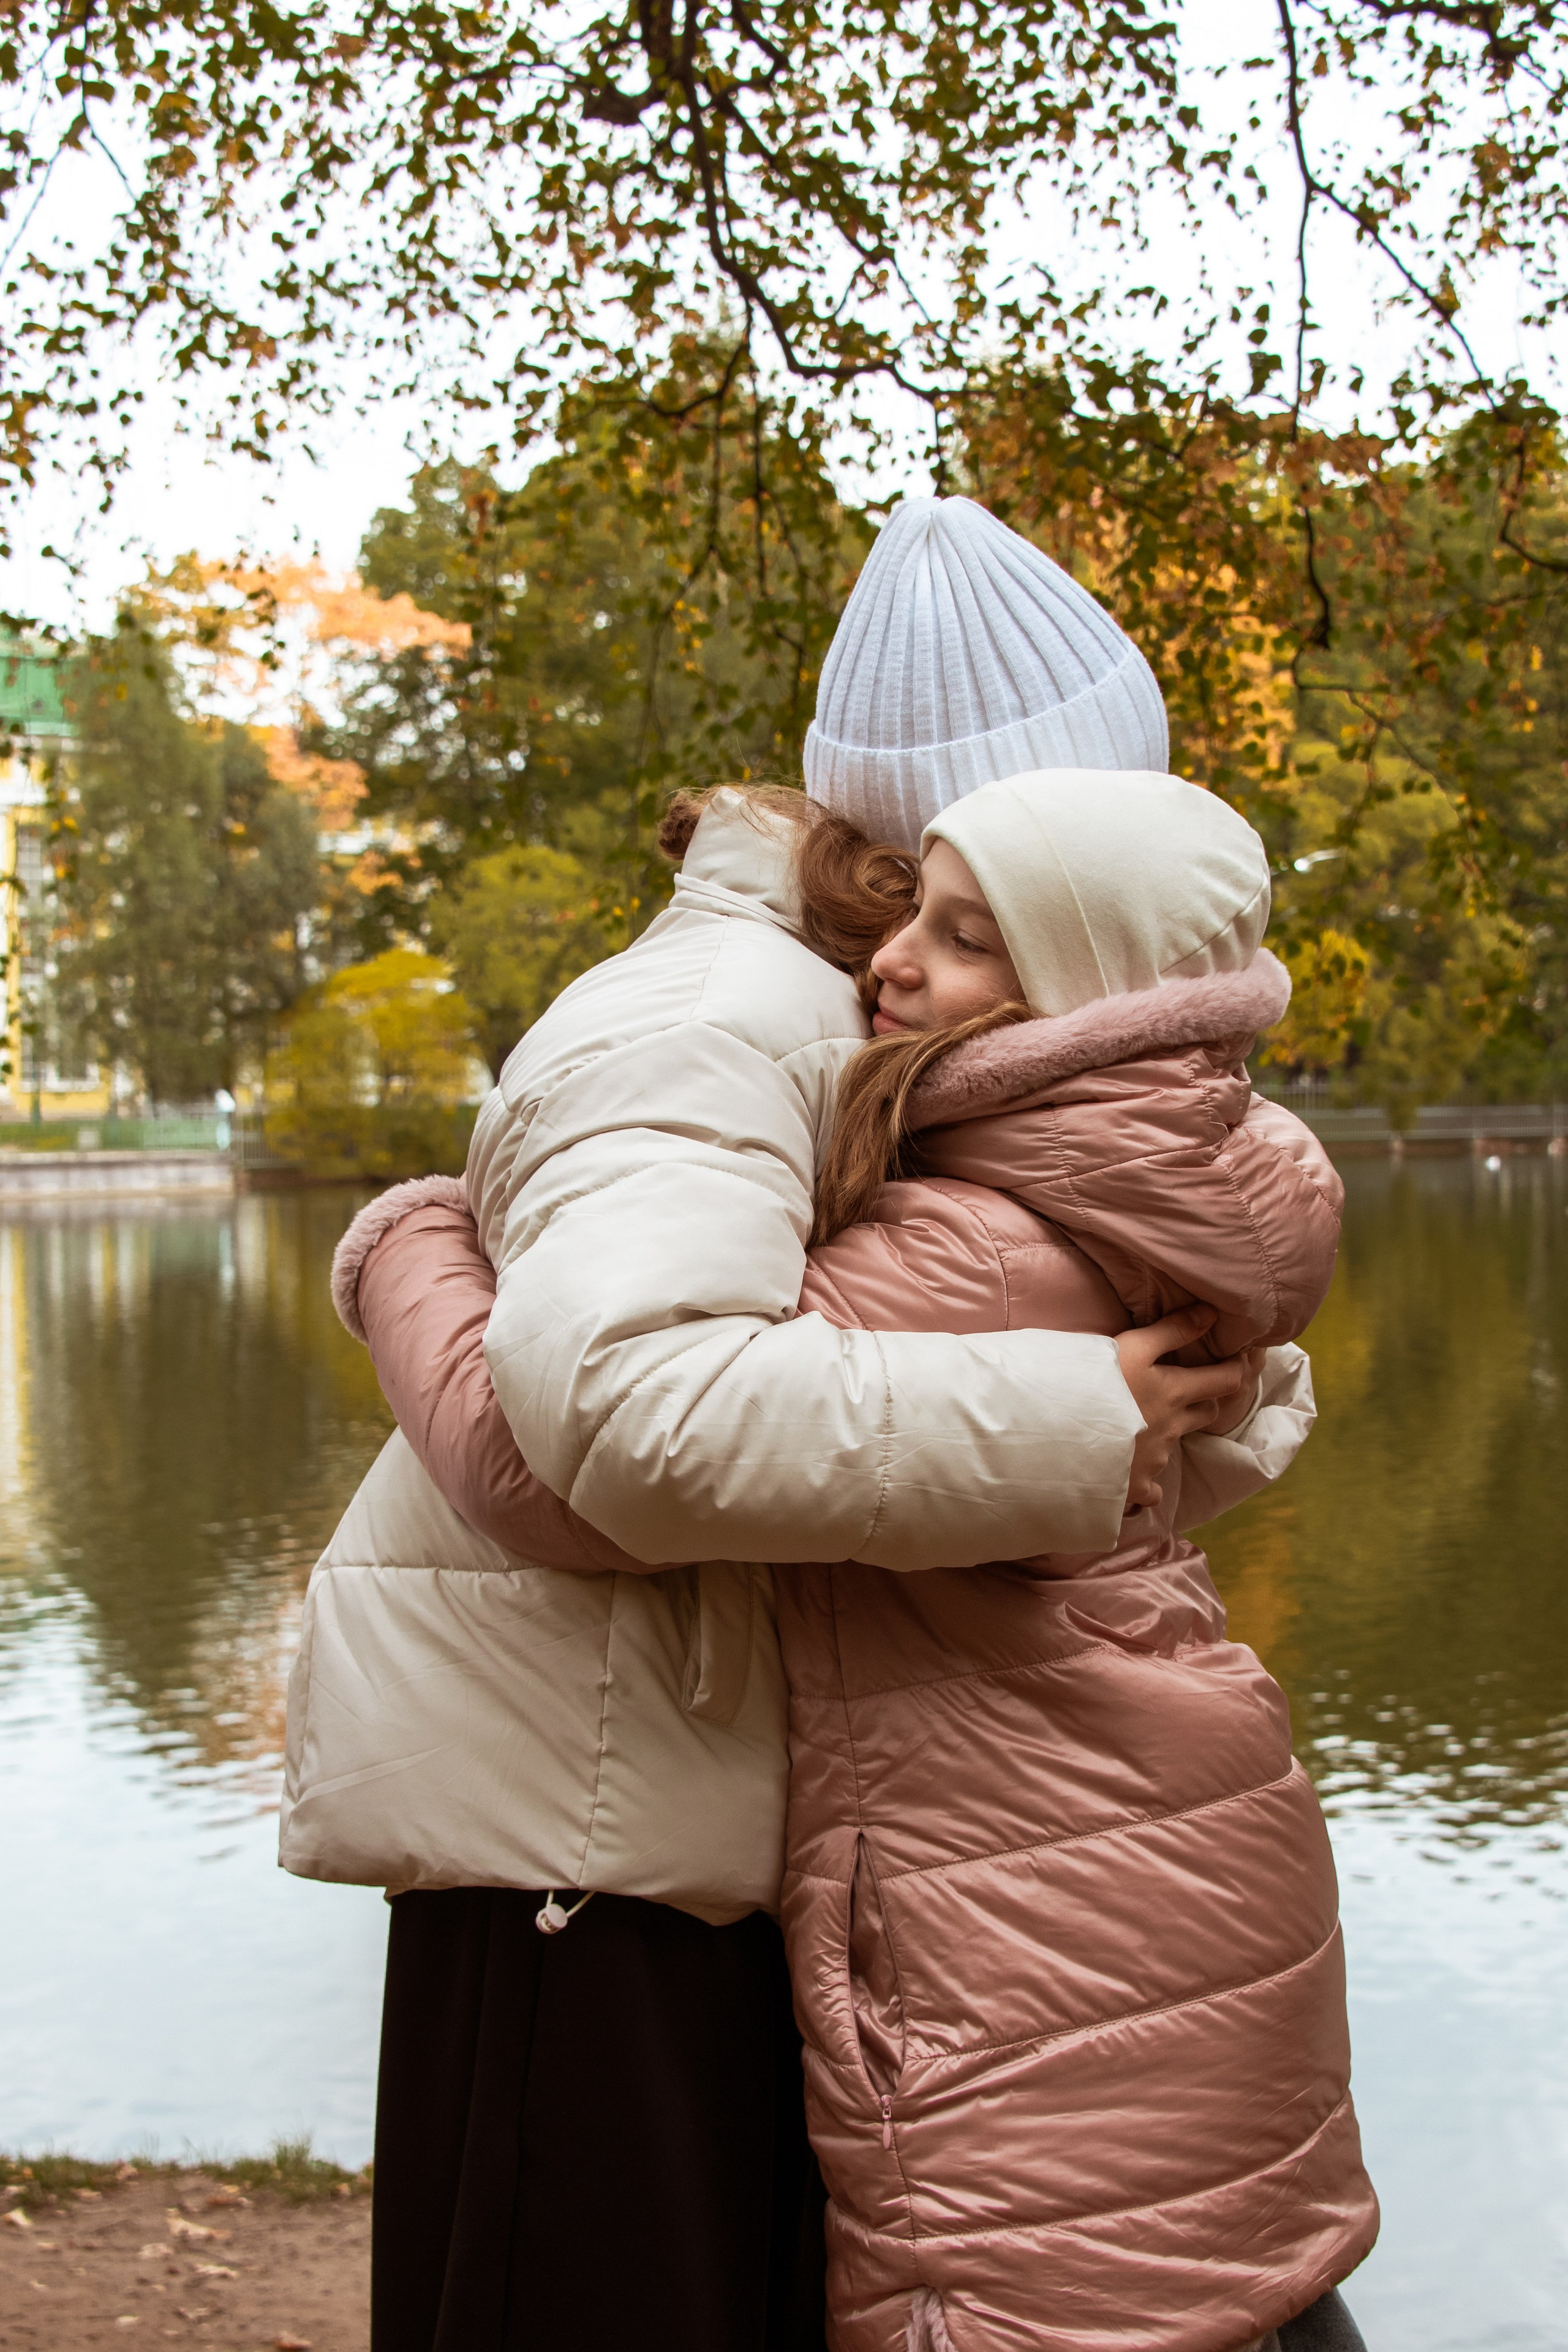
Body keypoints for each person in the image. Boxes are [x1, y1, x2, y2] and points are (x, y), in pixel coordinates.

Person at [281, 499, 1260, 2352]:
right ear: (946, 840)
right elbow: (616, 1425)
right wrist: (1070, 1413)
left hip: (707, 1826)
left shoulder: (881, 1033)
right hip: (581, 1860)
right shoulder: (721, 1019)